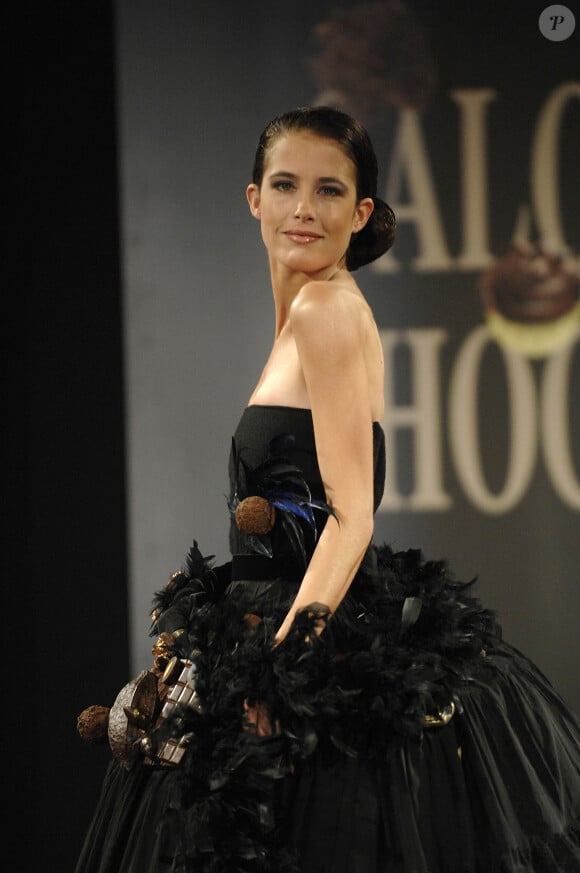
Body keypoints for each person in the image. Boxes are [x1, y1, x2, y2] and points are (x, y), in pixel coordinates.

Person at [75, 106, 580, 873]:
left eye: (330, 191)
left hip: (303, 640)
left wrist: (287, 665)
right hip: (269, 626)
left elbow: (351, 513)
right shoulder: (304, 310)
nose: (304, 209)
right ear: (254, 198)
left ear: (361, 211)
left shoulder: (326, 309)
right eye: (285, 185)